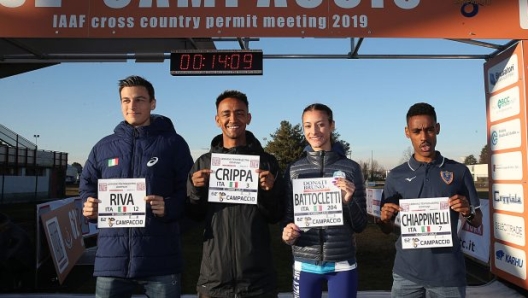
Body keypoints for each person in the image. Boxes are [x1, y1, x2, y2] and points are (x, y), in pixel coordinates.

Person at [80, 75, 193, 298]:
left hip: (161, 261)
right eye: (126, 100)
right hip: (112, 262)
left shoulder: (173, 143)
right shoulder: (103, 147)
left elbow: (189, 191)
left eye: (140, 99)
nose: (132, 106)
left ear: (153, 103)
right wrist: (88, 205)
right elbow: (87, 185)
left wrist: (169, 206)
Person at [378, 102, 483, 298]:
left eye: (429, 130)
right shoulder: (395, 176)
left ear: (438, 128)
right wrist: (384, 219)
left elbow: (478, 220)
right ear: (407, 132)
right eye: (417, 131)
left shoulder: (459, 171)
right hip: (406, 274)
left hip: (448, 275)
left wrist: (467, 211)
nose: (424, 137)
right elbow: (386, 229)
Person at [187, 90, 283, 298]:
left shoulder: (267, 162)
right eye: (226, 113)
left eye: (239, 113)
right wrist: (196, 191)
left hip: (258, 283)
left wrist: (269, 192)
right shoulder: (203, 163)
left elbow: (275, 216)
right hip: (214, 281)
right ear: (217, 119)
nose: (233, 119)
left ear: (248, 118)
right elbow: (194, 215)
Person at [281, 103, 368, 298]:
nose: (314, 131)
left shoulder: (351, 168)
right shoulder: (294, 169)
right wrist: (288, 234)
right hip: (305, 262)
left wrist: (349, 201)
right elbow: (288, 217)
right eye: (308, 125)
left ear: (332, 125)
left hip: (342, 264)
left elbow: (361, 225)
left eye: (320, 124)